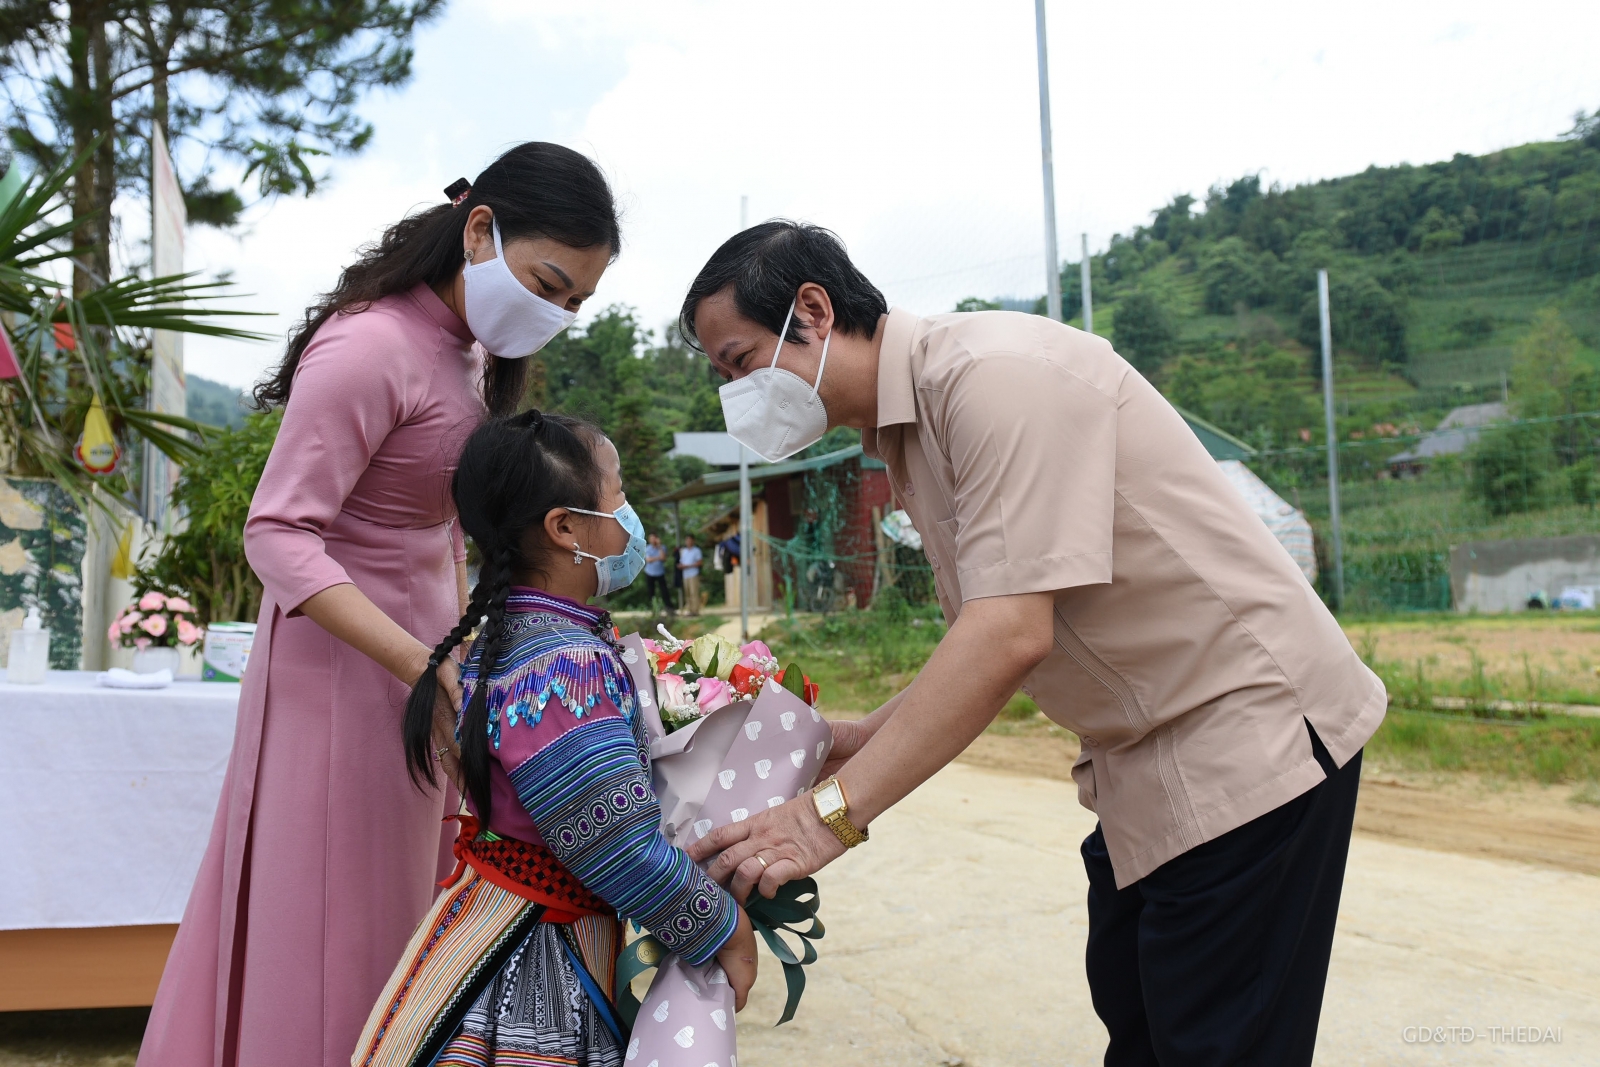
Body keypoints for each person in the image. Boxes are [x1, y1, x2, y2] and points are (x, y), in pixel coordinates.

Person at [682, 221, 1386, 1067]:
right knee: (1143, 1023)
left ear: (814, 309)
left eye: (738, 359)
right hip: (1147, 766)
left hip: (1247, 744)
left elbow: (1010, 633)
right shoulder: (908, 434)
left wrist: (826, 815)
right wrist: (866, 735)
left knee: (1213, 1041)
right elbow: (996, 625)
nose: (736, 393)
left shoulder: (992, 379)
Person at [138, 143, 621, 1067]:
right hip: (346, 669)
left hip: (423, 663)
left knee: (404, 910)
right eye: (548, 284)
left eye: (575, 303)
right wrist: (416, 662)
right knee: (333, 919)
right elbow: (278, 532)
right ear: (480, 229)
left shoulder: (469, 350)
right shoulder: (370, 344)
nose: (557, 314)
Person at [353, 411, 756, 1066]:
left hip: (492, 918)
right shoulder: (569, 666)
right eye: (617, 492)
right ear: (565, 527)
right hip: (534, 955)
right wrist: (722, 926)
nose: (630, 513)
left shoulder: (508, 640)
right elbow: (614, 844)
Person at [643, 531, 672, 616]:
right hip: (650, 572)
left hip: (660, 572)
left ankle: (669, 608)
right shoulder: (647, 548)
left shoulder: (662, 548)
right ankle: (653, 609)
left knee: (664, 591)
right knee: (651, 592)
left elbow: (663, 558)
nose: (652, 540)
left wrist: (659, 547)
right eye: (651, 538)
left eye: (654, 538)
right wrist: (658, 558)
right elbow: (648, 560)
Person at [677, 534, 703, 616]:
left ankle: (695, 610)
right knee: (687, 593)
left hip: (693, 574)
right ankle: (690, 610)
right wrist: (681, 566)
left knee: (693, 592)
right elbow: (682, 562)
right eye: (687, 540)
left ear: (693, 541)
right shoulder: (684, 551)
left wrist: (688, 566)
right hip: (685, 575)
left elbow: (700, 563)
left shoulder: (696, 551)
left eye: (690, 540)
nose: (688, 542)